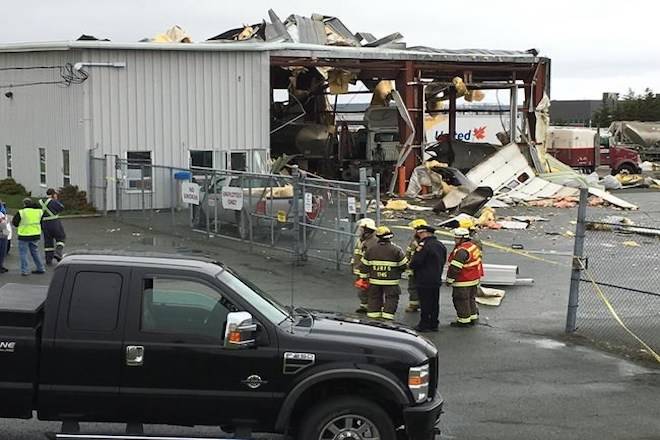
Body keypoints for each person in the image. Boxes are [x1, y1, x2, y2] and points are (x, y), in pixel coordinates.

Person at [360, 226, 407, 320]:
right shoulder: (396, 250)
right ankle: (387, 317)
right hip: (391, 281)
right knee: (391, 298)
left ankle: (373, 317)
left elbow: (364, 266)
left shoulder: (371, 250)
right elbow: (403, 265)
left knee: (374, 298)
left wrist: (364, 278)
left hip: (375, 281)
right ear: (390, 237)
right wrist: (398, 272)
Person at [409, 223, 447, 332]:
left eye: (419, 233)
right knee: (434, 302)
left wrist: (412, 266)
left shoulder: (423, 245)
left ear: (424, 233)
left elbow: (416, 261)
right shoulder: (439, 245)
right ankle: (434, 323)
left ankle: (424, 324)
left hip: (424, 278)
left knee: (425, 302)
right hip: (436, 278)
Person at [446, 227, 483, 328]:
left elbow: (455, 268)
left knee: (461, 300)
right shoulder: (472, 247)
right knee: (470, 299)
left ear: (462, 239)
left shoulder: (461, 251)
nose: (455, 240)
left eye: (456, 238)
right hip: (473, 279)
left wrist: (449, 280)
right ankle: (473, 317)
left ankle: (463, 321)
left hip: (463, 280)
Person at [11, 198, 46, 276]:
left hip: (24, 235)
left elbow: (15, 223)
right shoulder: (39, 212)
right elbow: (41, 222)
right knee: (35, 252)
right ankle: (40, 268)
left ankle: (25, 270)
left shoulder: (22, 212)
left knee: (23, 253)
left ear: (24, 204)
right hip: (35, 235)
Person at [351, 218, 378, 314]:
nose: (359, 231)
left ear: (367, 231)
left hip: (366, 271)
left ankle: (371, 307)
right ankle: (364, 306)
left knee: (369, 289)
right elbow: (357, 254)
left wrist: (365, 271)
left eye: (361, 229)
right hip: (360, 270)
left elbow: (369, 258)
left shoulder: (372, 242)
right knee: (363, 289)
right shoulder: (362, 240)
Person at [404, 219, 428, 313]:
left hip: (417, 269)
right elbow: (409, 254)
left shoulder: (419, 243)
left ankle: (414, 305)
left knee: (414, 288)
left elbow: (413, 256)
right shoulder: (416, 241)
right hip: (416, 269)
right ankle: (417, 304)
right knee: (415, 287)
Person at [40, 188, 66, 265]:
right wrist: (56, 200)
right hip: (54, 222)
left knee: (48, 242)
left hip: (44, 223)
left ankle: (48, 259)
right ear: (53, 194)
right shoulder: (53, 201)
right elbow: (61, 208)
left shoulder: (40, 202)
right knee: (61, 237)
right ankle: (58, 253)